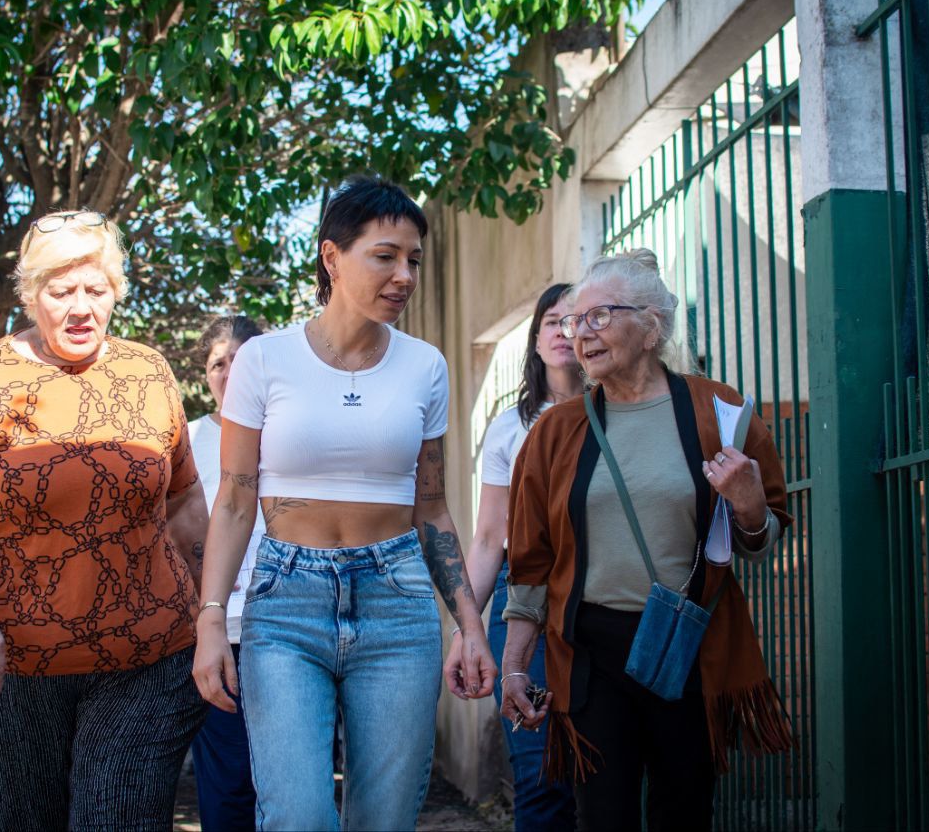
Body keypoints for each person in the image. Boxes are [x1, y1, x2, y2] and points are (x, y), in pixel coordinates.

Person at [192, 175, 496, 831]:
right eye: (385, 256)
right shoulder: (264, 361)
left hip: (397, 600)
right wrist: (212, 617)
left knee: (384, 819)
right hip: (285, 600)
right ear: (333, 257)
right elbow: (237, 501)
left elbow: (433, 510)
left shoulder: (425, 367)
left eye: (413, 259)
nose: (405, 275)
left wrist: (470, 625)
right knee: (297, 814)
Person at [0, 210, 211, 831]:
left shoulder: (149, 373)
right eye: (61, 292)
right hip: (3, 666)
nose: (80, 308)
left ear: (116, 291)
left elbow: (184, 505)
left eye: (96, 290)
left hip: (147, 661)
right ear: (30, 295)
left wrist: (211, 615)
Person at [499, 249, 795, 832]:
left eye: (598, 317)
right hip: (590, 650)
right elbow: (530, 562)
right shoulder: (557, 432)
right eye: (572, 321)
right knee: (601, 817)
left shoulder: (722, 412)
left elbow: (763, 539)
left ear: (651, 325)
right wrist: (514, 666)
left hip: (685, 643)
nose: (580, 334)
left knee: (682, 813)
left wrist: (750, 503)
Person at [457, 284, 581, 830]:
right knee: (536, 771)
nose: (564, 332)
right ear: (535, 340)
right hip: (521, 597)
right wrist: (466, 629)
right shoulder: (510, 426)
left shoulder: (622, 412)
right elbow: (488, 539)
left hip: (601, 597)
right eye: (553, 321)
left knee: (611, 766)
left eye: (578, 320)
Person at [188, 315, 265, 831]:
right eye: (219, 362)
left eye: (241, 357)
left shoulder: (286, 432)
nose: (229, 369)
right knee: (229, 780)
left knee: (286, 781)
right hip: (221, 633)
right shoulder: (187, 441)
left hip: (286, 625)